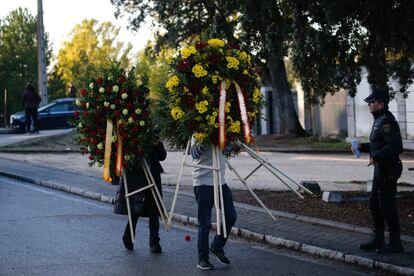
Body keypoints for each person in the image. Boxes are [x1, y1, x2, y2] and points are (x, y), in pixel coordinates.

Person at [353, 87, 404, 254]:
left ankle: (395, 243)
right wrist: (361, 147)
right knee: (375, 203)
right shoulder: (379, 119)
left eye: (372, 102)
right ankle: (379, 239)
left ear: (381, 104)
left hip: (388, 169)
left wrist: (377, 157)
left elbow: (396, 146)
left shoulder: (387, 121)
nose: (369, 105)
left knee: (387, 205)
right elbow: (378, 144)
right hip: (380, 169)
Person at [191, 138, 237, 270]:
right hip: (203, 182)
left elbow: (228, 149)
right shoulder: (198, 132)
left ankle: (217, 246)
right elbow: (194, 153)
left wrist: (229, 141)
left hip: (220, 182)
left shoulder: (222, 131)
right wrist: (208, 137)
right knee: (205, 223)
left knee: (231, 216)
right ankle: (202, 259)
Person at [113, 141, 167, 253]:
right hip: (137, 176)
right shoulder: (133, 137)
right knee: (136, 209)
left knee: (154, 209)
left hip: (153, 175)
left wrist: (157, 144)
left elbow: (162, 156)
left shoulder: (153, 136)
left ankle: (154, 242)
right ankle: (128, 236)